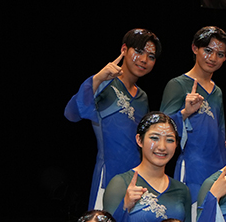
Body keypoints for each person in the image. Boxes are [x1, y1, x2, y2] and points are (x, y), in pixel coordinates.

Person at [65, 29, 162, 210]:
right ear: (124, 49)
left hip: (137, 181)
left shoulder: (142, 97)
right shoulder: (105, 83)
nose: (144, 60)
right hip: (108, 177)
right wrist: (97, 79)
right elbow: (71, 114)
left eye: (151, 56)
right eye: (139, 51)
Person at [104, 112, 192, 222]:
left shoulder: (182, 190)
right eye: (154, 138)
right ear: (139, 140)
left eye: (169, 140)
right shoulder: (121, 183)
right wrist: (125, 207)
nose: (162, 146)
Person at [160, 26, 226, 202]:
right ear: (194, 48)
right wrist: (185, 113)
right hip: (191, 168)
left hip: (216, 170)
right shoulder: (177, 85)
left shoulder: (217, 92)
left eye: (220, 54)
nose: (213, 58)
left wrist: (225, 171)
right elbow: (160, 129)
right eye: (208, 50)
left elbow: (221, 133)